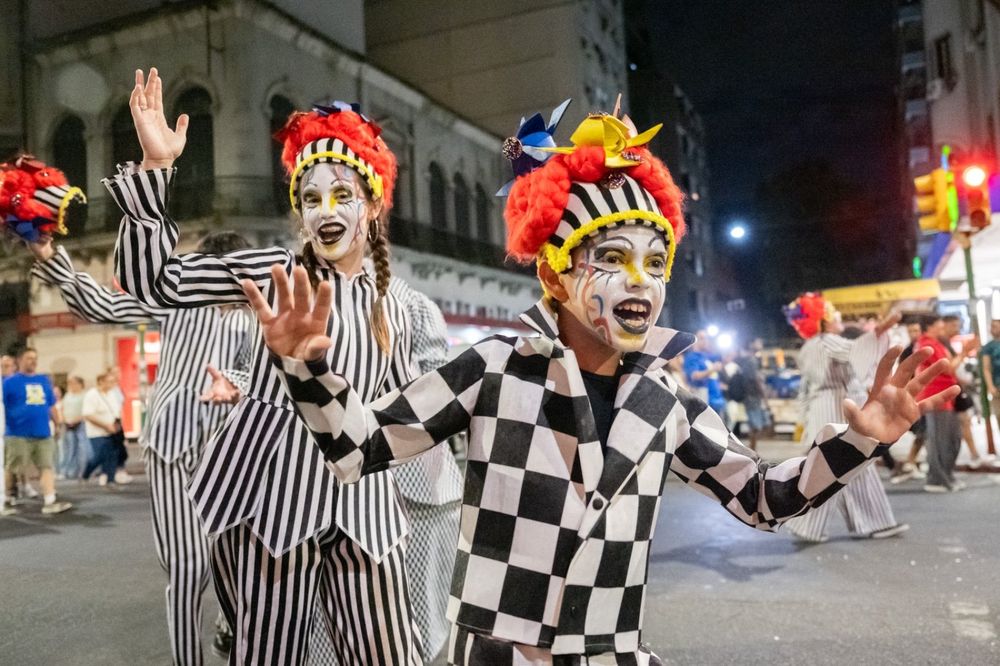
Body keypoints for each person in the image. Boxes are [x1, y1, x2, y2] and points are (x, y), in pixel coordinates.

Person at [251, 107, 957, 664]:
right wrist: (306, 367)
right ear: (555, 274)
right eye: (613, 258)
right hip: (500, 655)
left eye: (657, 262)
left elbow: (765, 499)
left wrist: (860, 440)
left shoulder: (665, 401)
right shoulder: (493, 368)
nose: (641, 282)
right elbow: (359, 447)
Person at [109, 68, 460, 665]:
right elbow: (155, 281)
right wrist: (154, 169)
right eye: (311, 198)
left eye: (342, 195)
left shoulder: (398, 307)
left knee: (386, 652)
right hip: (272, 498)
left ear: (373, 205)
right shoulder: (273, 270)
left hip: (364, 502)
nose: (325, 210)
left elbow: (420, 407)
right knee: (268, 651)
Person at [27, 230, 253, 666]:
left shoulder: (252, 315)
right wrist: (52, 257)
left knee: (239, 557)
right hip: (173, 444)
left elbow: (256, 372)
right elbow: (105, 305)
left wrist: (236, 383)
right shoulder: (177, 296)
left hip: (228, 448)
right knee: (188, 568)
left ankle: (229, 624)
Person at [780, 295, 909, 542]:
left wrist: (804, 421)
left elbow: (804, 390)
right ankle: (873, 523)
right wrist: (880, 330)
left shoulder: (807, 348)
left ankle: (808, 526)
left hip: (821, 411)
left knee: (830, 469)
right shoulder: (827, 341)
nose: (838, 317)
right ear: (823, 320)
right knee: (852, 464)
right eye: (833, 313)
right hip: (838, 409)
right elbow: (855, 350)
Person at [3, 347, 72, 513]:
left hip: (42, 432)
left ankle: (50, 500)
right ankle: (8, 497)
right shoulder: (9, 383)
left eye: (35, 358)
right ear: (19, 360)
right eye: (29, 358)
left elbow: (51, 405)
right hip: (17, 433)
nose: (33, 361)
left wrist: (57, 423)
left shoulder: (43, 381)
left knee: (46, 466)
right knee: (14, 468)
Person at [917, 315, 975, 492]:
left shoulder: (937, 343)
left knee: (952, 439)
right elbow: (948, 368)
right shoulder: (927, 345)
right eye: (940, 327)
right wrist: (964, 353)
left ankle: (946, 476)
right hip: (936, 399)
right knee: (940, 441)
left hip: (946, 397)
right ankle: (936, 480)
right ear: (929, 327)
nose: (943, 330)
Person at [940, 315, 987, 467]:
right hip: (946, 394)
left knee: (964, 423)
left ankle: (973, 455)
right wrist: (964, 352)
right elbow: (949, 368)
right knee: (955, 428)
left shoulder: (947, 344)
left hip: (955, 390)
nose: (958, 329)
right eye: (954, 325)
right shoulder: (940, 344)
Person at [81, 371, 124, 488]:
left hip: (113, 431)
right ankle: (86, 473)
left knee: (113, 455)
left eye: (113, 382)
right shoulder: (92, 395)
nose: (112, 384)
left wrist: (117, 425)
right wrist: (105, 425)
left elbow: (116, 411)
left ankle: (111, 480)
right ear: (101, 381)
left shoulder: (111, 394)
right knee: (100, 456)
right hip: (97, 432)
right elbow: (88, 415)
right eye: (110, 381)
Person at [684, 330, 726, 416]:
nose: (705, 341)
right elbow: (694, 375)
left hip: (716, 399)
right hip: (704, 399)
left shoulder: (705, 356)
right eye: (702, 338)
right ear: (694, 340)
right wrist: (713, 369)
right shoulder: (691, 357)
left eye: (706, 338)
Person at [57, 376, 89, 479]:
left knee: (82, 448)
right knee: (69, 448)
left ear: (80, 384)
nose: (72, 386)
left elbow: (86, 411)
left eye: (74, 383)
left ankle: (82, 470)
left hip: (80, 424)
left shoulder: (85, 395)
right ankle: (67, 470)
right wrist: (65, 419)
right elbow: (63, 408)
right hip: (67, 424)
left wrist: (76, 420)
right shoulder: (68, 395)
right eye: (70, 383)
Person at [982, 317, 1000, 417]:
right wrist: (990, 386)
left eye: (995, 326)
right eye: (991, 326)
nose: (992, 329)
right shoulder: (988, 347)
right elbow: (986, 368)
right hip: (997, 385)